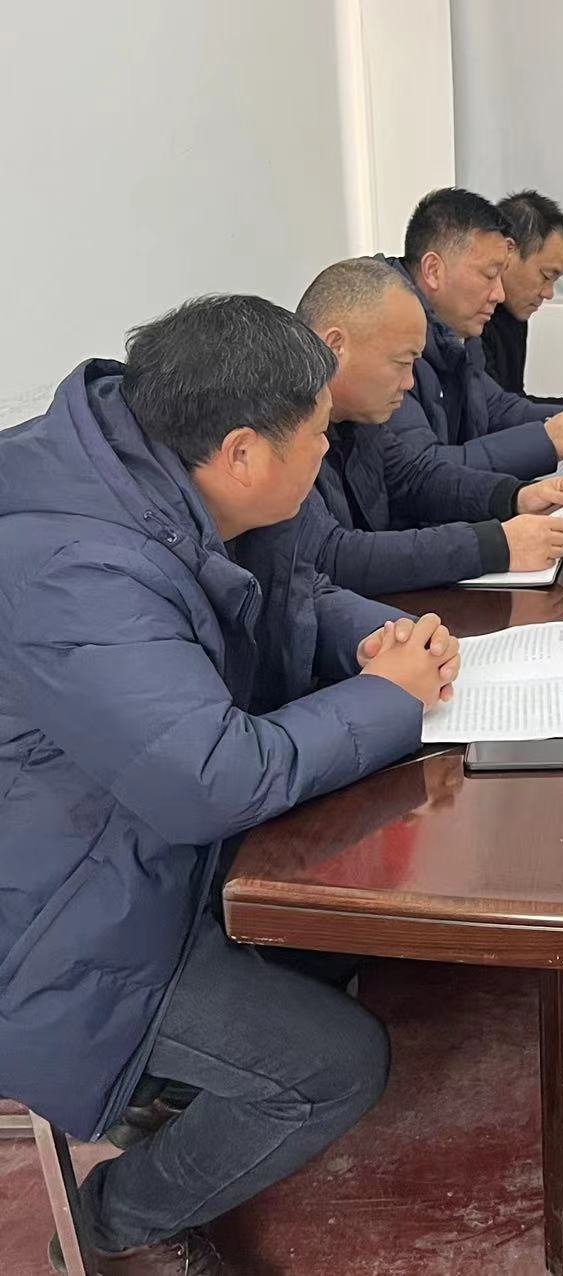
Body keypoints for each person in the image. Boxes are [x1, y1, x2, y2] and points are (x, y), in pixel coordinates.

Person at [0, 296, 461, 1273]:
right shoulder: (76, 569)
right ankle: (115, 1224)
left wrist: (377, 640)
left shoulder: (167, 472)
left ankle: (165, 1091)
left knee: (342, 923)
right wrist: (386, 700)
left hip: (142, 849)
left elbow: (296, 592)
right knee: (336, 1066)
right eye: (318, 437)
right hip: (55, 911)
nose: (327, 455)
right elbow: (210, 780)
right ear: (245, 450)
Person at [294, 257, 563, 594]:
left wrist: (515, 497)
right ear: (336, 347)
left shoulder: (357, 416)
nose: (408, 382)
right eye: (401, 363)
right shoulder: (280, 427)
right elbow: (333, 556)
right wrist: (495, 545)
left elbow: (414, 477)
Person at [385, 187, 563, 479]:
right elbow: (421, 470)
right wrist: (544, 442)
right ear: (433, 270)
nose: (499, 293)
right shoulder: (383, 330)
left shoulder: (458, 330)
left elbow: (496, 407)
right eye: (490, 275)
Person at [482, 188, 563, 404]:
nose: (548, 293)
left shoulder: (514, 311)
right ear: (508, 251)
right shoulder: (472, 315)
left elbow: (513, 403)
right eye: (546, 276)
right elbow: (496, 410)